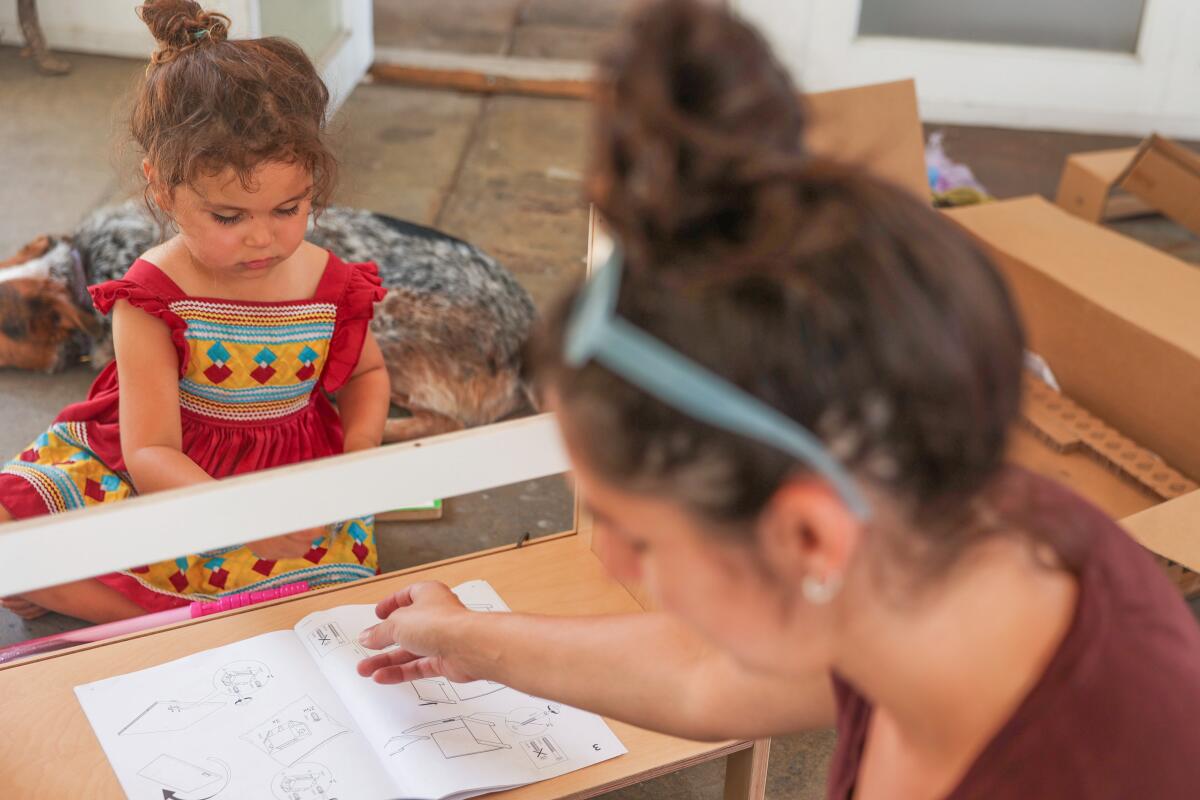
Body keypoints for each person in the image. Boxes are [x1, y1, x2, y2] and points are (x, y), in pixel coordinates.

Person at [356, 2, 1200, 797]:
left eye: (637, 533)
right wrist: (464, 640)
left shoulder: (1089, 767)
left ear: (807, 534)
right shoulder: (948, 540)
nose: (610, 561)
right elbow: (708, 671)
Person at [0, 0, 390, 622]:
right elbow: (151, 450)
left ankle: (151, 611)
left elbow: (367, 374)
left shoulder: (329, 281)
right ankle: (161, 612)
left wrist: (360, 456)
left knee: (317, 600)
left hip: (288, 489)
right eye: (229, 218)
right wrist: (235, 517)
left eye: (288, 209)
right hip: (168, 482)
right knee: (7, 534)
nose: (262, 238)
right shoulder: (152, 297)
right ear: (160, 188)